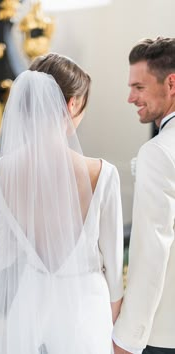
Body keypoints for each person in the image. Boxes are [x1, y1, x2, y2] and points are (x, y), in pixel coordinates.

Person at [0, 53, 124, 354]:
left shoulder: (1, 172)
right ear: (72, 105)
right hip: (86, 312)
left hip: (29, 309)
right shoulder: (103, 173)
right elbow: (114, 267)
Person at [113, 37, 175, 354]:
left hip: (165, 330)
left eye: (139, 87)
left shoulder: (159, 152)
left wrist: (127, 337)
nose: (130, 97)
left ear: (172, 83)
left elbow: (151, 250)